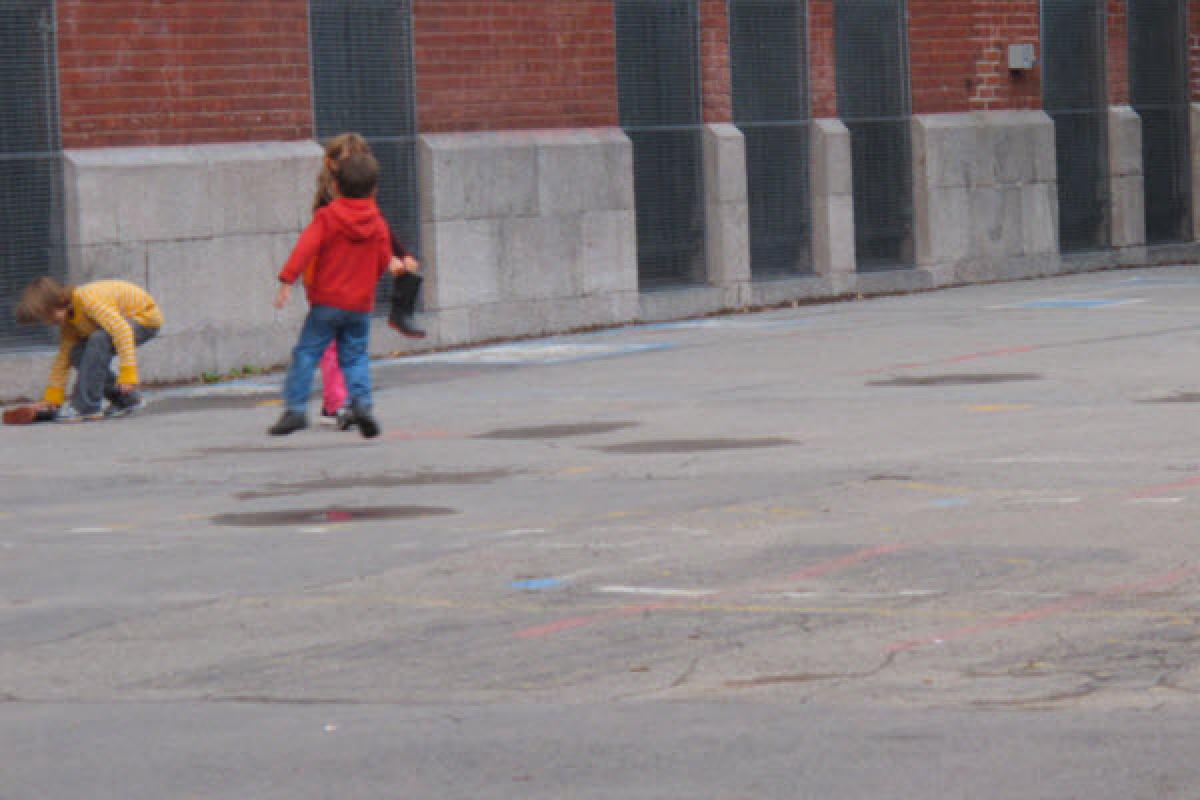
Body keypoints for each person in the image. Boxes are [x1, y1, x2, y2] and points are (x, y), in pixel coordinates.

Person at [270, 151, 402, 438]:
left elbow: (305, 248)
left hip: (327, 301)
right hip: (359, 304)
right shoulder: (378, 223)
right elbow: (383, 258)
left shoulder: (327, 217)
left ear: (336, 187)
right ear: (374, 189)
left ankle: (295, 408)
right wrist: (367, 283)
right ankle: (362, 404)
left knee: (306, 352)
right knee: (354, 357)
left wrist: (287, 280)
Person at [309, 133, 423, 430]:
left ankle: (345, 401)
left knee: (349, 344)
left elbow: (379, 226)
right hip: (330, 283)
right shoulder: (326, 206)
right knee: (334, 344)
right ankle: (338, 403)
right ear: (332, 166)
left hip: (353, 284)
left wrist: (401, 254)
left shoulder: (362, 199)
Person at [15, 276, 162, 422]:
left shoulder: (86, 300)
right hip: (119, 326)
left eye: (50, 315)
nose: (49, 322)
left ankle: (86, 407)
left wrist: (128, 374)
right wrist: (52, 398)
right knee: (76, 353)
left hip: (144, 318)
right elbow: (62, 360)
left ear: (58, 300)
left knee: (98, 338)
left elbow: (122, 330)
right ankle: (127, 399)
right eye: (44, 319)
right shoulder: (69, 323)